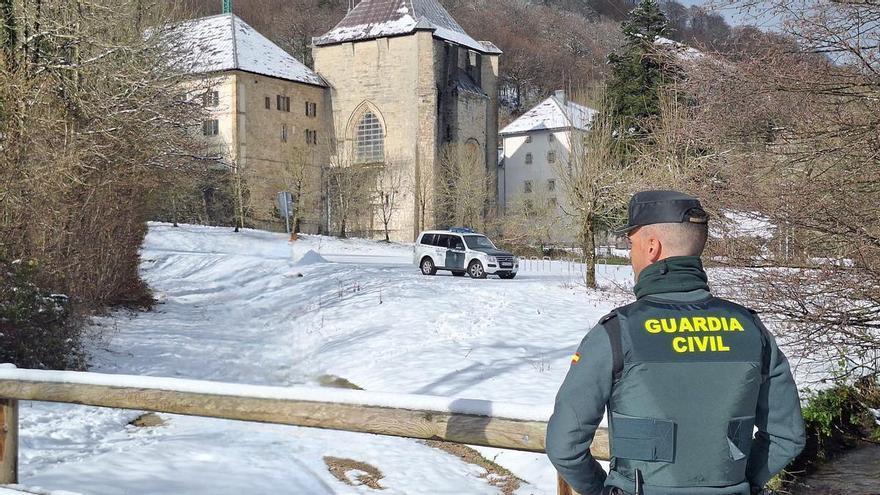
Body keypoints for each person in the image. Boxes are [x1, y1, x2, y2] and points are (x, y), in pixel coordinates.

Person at [546, 190, 805, 495]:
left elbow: (564, 445)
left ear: (652, 247)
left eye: (632, 245)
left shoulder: (616, 333)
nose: (630, 255)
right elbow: (787, 436)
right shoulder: (751, 330)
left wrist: (601, 490)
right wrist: (738, 483)